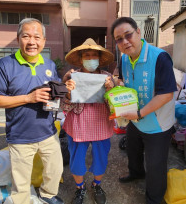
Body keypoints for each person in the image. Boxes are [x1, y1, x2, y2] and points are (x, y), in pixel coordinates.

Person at [0, 18, 64, 204]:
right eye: (26, 36)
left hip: (48, 132)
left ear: (43, 41)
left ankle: (47, 194)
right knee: (20, 182)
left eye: (37, 37)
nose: (32, 42)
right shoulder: (4, 65)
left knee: (55, 170)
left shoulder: (49, 65)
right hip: (20, 135)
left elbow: (55, 90)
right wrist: (29, 98)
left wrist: (65, 87)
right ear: (18, 38)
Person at [111, 17, 177, 204]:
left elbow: (166, 95)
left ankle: (154, 199)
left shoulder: (159, 57)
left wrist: (139, 113)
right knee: (133, 150)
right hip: (135, 118)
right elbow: (123, 79)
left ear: (138, 32)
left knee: (156, 166)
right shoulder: (124, 58)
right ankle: (136, 173)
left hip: (157, 123)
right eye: (119, 39)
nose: (124, 42)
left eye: (128, 35)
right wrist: (116, 84)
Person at [60, 38, 115, 204]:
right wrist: (68, 93)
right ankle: (80, 187)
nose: (91, 59)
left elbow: (115, 107)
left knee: (101, 159)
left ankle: (96, 184)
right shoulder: (71, 77)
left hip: (101, 125)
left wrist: (111, 92)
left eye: (94, 56)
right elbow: (63, 106)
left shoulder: (107, 78)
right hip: (77, 126)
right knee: (76, 161)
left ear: (99, 58)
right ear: (81, 58)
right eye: (87, 55)